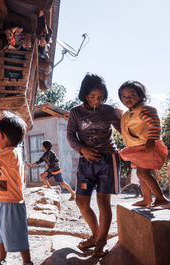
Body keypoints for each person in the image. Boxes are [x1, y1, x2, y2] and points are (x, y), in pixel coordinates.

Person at [66, 73, 121, 257]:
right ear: (84, 94)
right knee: (81, 201)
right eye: (92, 96)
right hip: (86, 161)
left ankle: (100, 242)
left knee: (103, 202)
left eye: (100, 96)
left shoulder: (109, 111)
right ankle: (95, 234)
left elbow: (125, 130)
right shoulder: (75, 112)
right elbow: (71, 135)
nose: (97, 100)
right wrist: (82, 150)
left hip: (108, 159)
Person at [0, 112, 34, 265]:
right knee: (1, 233)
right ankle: (2, 260)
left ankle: (27, 262)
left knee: (17, 233)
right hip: (3, 199)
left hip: (11, 201)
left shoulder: (10, 153)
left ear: (4, 137)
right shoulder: (10, 153)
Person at [118, 80, 169, 207]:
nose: (127, 98)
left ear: (141, 96)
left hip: (147, 146)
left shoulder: (144, 110)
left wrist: (152, 138)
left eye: (132, 95)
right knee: (140, 174)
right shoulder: (129, 113)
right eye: (123, 96)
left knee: (143, 173)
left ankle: (160, 197)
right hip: (138, 148)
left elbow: (154, 123)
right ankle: (147, 199)